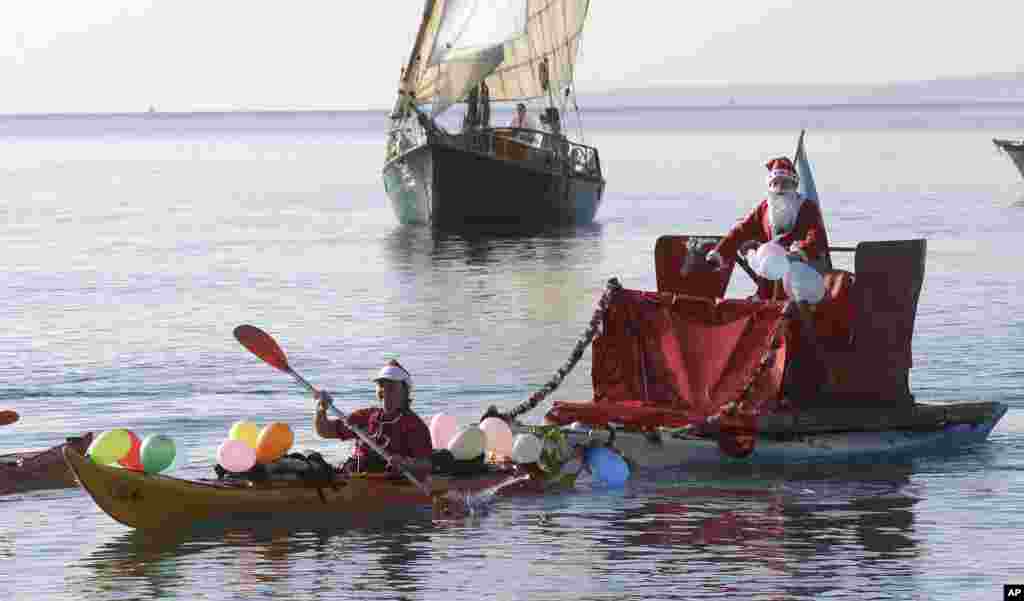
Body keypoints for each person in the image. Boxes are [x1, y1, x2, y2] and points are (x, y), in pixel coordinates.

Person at [705, 156, 830, 300]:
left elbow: (816, 237)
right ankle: (763, 299)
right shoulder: (764, 208)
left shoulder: (808, 207)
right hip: (769, 272)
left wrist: (798, 253)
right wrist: (719, 252)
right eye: (775, 183)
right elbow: (740, 231)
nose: (780, 188)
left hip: (802, 274)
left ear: (794, 185)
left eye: (785, 183)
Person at [313, 360, 433, 478]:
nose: (385, 390)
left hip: (391, 481)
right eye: (381, 385)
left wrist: (405, 464)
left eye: (391, 386)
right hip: (356, 476)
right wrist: (321, 409)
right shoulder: (365, 416)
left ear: (405, 391)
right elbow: (324, 430)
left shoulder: (415, 425)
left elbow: (426, 465)